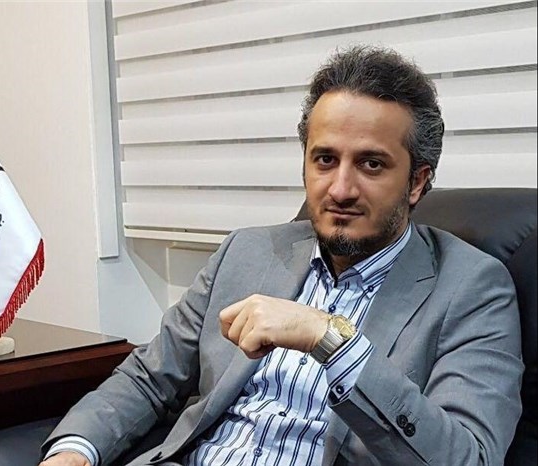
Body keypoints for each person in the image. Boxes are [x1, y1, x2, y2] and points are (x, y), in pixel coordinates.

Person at [39, 45, 523, 466]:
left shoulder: (472, 288)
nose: (340, 189)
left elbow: (469, 456)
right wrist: (74, 450)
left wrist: (330, 340)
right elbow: (149, 377)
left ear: (417, 182)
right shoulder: (246, 251)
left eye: (371, 164)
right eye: (325, 159)